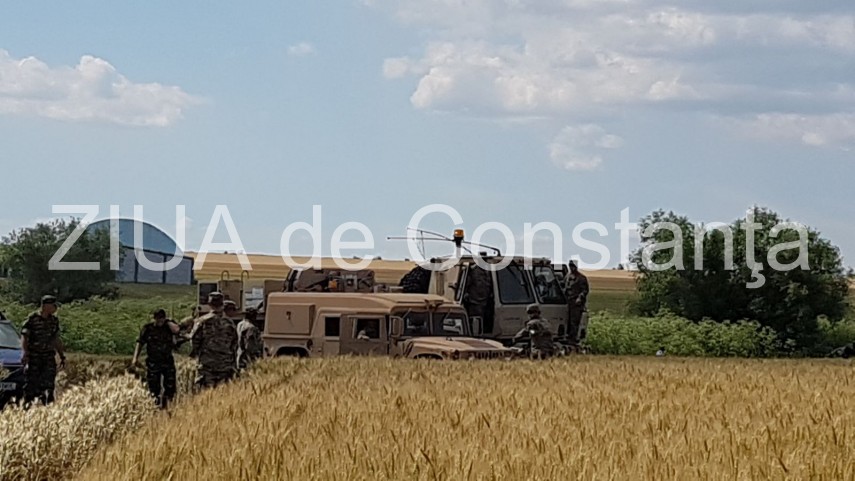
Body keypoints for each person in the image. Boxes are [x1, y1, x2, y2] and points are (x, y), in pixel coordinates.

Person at [20, 295, 66, 407]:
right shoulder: (32, 319)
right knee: (31, 384)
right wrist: (25, 353)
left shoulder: (54, 321)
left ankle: (48, 408)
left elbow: (56, 339)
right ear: (45, 306)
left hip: (48, 357)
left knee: (49, 385)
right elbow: (25, 337)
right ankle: (27, 407)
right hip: (34, 357)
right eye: (53, 305)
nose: (55, 308)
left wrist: (62, 355)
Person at [132, 309, 180, 409]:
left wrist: (168, 321)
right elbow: (140, 343)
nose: (160, 322)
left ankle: (168, 406)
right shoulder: (148, 328)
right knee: (154, 387)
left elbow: (177, 330)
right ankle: (155, 406)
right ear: (154, 318)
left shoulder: (168, 327)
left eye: (162, 319)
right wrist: (135, 358)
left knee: (170, 387)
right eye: (158, 319)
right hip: (153, 362)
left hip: (167, 361)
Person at [190, 292, 238, 389]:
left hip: (207, 366)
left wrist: (199, 353)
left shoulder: (202, 321)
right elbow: (235, 343)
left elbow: (194, 341)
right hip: (226, 366)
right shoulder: (229, 323)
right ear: (222, 304)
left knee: (204, 397)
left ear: (209, 304)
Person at [563, 260, 589, 345]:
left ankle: (573, 338)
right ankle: (567, 335)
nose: (571, 268)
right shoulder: (567, 276)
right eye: (570, 266)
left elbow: (585, 290)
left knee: (574, 321)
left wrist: (580, 298)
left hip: (576, 303)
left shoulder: (581, 278)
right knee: (567, 320)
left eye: (573, 266)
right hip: (568, 301)